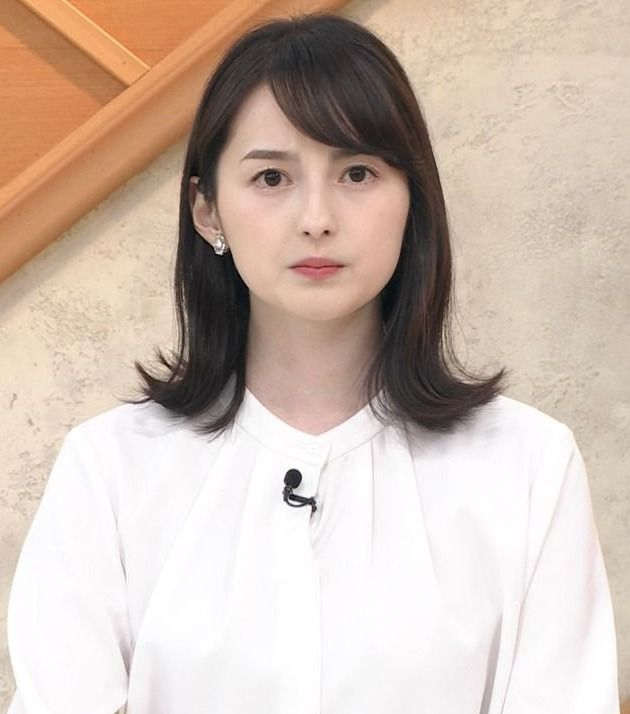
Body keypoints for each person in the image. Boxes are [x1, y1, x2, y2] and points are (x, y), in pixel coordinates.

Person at [6, 12, 620, 714]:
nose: (317, 218)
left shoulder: (528, 465)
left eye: (357, 172)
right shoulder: (110, 468)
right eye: (272, 177)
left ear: (412, 198)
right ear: (208, 211)